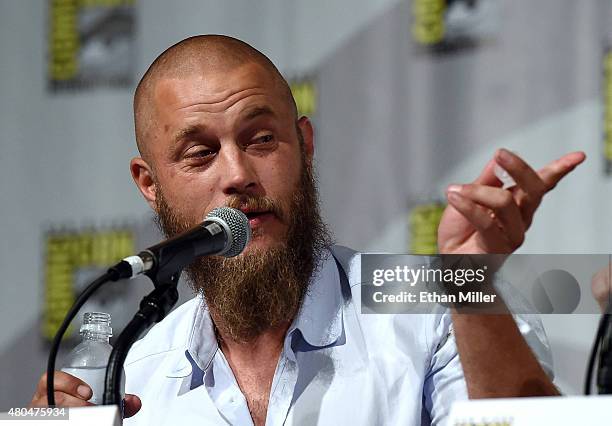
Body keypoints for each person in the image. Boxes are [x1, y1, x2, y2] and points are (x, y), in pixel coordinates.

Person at [30, 35, 586, 425]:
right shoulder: (135, 375)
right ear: (149, 185)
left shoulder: (436, 300)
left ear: (305, 146)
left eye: (262, 139)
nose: (239, 175)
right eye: (200, 153)